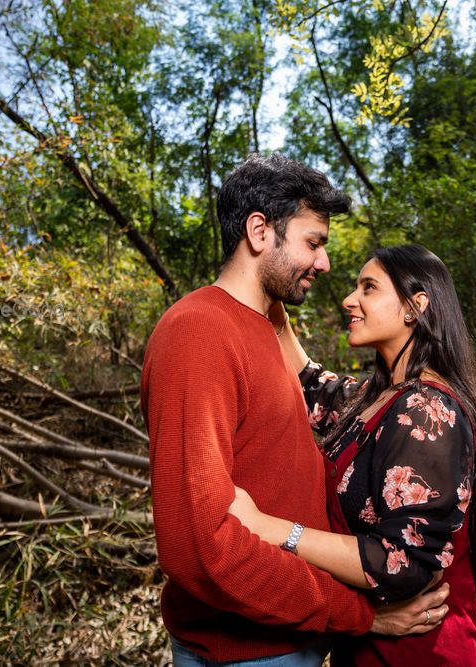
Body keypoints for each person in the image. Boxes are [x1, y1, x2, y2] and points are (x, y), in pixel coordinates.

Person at [141, 155, 449, 667]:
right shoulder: (196, 334)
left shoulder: (259, 328)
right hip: (247, 653)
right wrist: (358, 614)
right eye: (313, 243)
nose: (325, 263)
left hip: (294, 637)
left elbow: (320, 392)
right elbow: (198, 548)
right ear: (259, 231)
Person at [227, 244, 476, 666]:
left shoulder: (429, 413)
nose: (349, 299)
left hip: (417, 652)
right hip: (366, 642)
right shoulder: (378, 397)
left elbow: (403, 561)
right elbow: (311, 383)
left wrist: (272, 530)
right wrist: (270, 279)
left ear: (415, 307)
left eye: (368, 288)